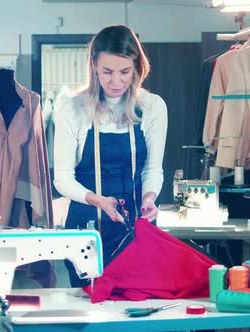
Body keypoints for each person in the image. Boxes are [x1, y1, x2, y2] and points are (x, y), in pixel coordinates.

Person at [53, 24, 168, 287]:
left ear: (136, 67)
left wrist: (150, 197)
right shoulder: (73, 109)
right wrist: (98, 200)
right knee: (90, 308)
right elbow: (62, 179)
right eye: (107, 72)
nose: (116, 81)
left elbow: (152, 170)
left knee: (136, 308)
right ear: (93, 65)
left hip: (137, 223)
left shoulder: (152, 107)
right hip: (86, 227)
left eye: (124, 72)